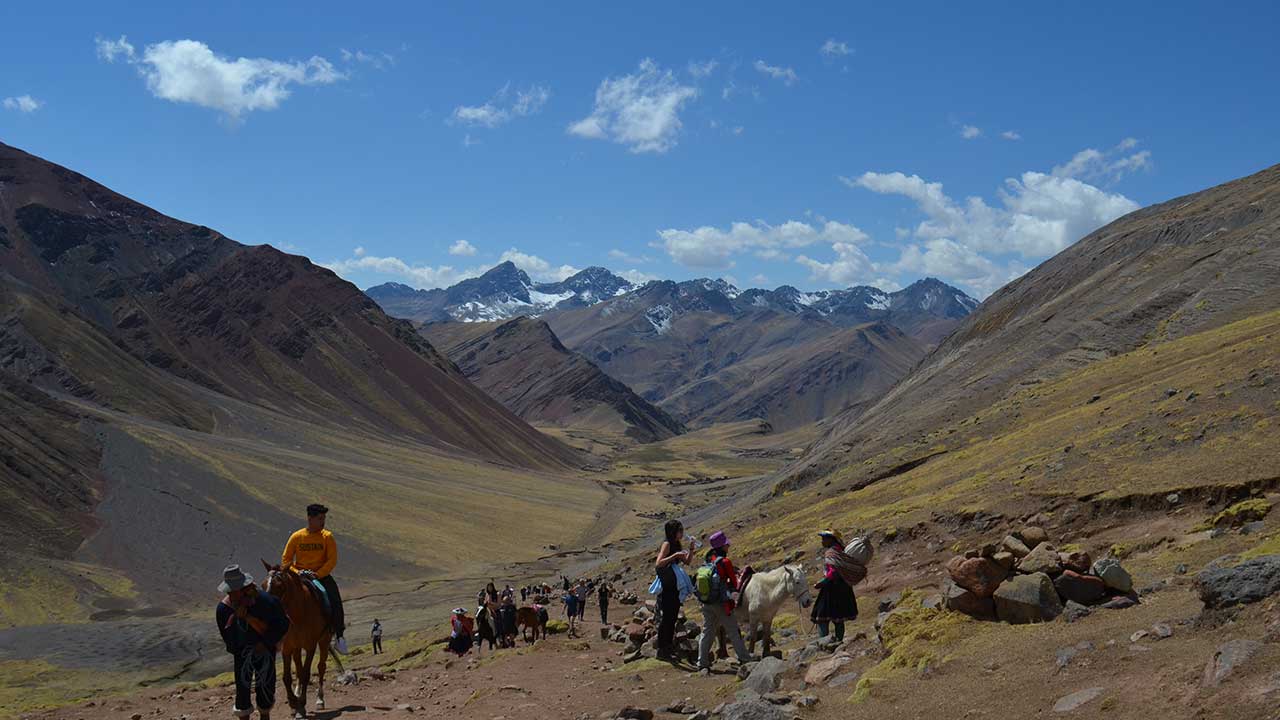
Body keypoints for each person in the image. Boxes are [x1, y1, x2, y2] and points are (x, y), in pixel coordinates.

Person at [216, 565, 289, 720]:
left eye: (233, 591)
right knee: (242, 689)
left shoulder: (268, 602)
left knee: (266, 686)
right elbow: (228, 638)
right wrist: (244, 649)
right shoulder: (224, 610)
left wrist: (265, 643)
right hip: (242, 654)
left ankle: (265, 714)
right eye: (229, 591)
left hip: (265, 650)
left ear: (244, 588)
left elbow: (282, 625)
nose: (230, 594)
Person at [281, 503, 347, 654]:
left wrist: (318, 574)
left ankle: (339, 636)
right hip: (299, 577)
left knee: (335, 598)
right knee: (278, 595)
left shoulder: (327, 537)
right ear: (310, 518)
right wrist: (297, 573)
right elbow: (286, 560)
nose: (323, 522)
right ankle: (277, 632)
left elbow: (332, 560)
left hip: (320, 576)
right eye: (320, 518)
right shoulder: (297, 537)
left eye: (324, 518)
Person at [695, 531, 753, 672]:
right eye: (726, 544)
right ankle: (744, 658)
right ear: (722, 546)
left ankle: (702, 662)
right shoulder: (725, 561)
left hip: (707, 602)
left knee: (707, 631)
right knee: (733, 630)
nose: (728, 546)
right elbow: (733, 581)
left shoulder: (709, 558)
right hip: (721, 603)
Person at [811, 529, 861, 644]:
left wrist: (822, 583)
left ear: (831, 540)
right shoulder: (841, 552)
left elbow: (833, 572)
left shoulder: (831, 553)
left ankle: (824, 643)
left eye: (824, 539)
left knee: (821, 616)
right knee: (838, 618)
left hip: (831, 588)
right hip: (844, 588)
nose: (822, 541)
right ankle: (839, 641)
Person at [654, 519, 691, 661]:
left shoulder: (676, 544)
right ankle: (662, 649)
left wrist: (691, 550)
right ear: (673, 532)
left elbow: (687, 562)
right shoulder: (667, 544)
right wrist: (675, 556)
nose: (682, 533)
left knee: (672, 617)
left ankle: (668, 647)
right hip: (668, 587)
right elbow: (659, 563)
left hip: (674, 587)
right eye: (680, 530)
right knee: (667, 618)